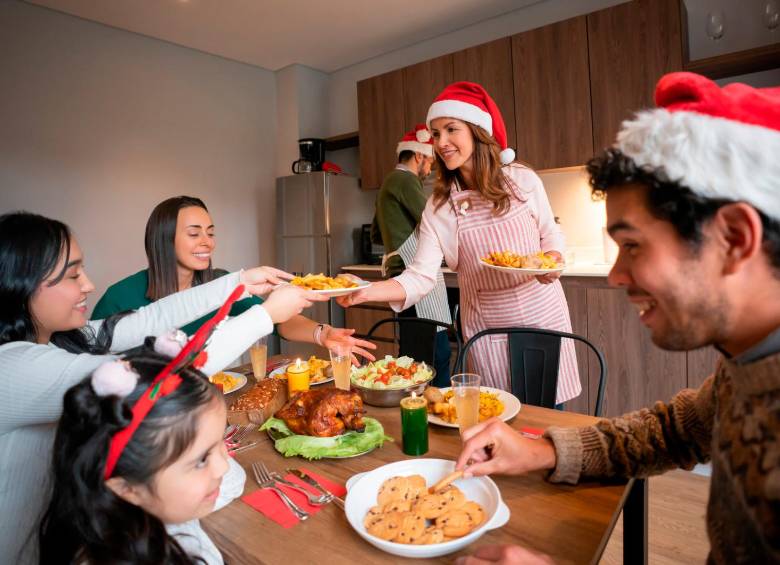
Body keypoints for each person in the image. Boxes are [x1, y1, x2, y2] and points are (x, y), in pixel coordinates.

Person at [453, 72, 780, 564]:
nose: (616, 275)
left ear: (734, 238)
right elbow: (675, 430)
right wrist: (541, 450)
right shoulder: (748, 363)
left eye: (632, 245)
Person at [0, 211, 326, 563]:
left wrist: (240, 282)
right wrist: (264, 316)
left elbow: (150, 319)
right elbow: (155, 380)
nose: (88, 285)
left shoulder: (62, 339)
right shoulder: (11, 367)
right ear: (20, 284)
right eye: (72, 275)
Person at [340, 82, 580, 404]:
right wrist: (363, 291)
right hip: (486, 332)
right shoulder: (439, 207)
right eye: (436, 134)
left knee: (545, 423)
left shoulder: (522, 180)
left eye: (451, 129)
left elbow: (550, 234)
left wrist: (551, 260)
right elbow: (420, 277)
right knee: (496, 420)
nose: (441, 142)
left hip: (540, 320)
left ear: (478, 131)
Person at [39, 292, 252, 565]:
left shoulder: (158, 512)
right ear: (126, 488)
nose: (222, 466)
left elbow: (230, 480)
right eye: (201, 460)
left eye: (220, 443)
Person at [93, 196, 375, 359]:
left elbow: (279, 322)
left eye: (211, 233)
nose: (207, 242)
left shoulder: (221, 282)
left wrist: (323, 334)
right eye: (194, 234)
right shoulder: (119, 297)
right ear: (163, 239)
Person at [371, 124, 453, 385]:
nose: (429, 170)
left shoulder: (388, 183)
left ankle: (410, 406)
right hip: (413, 272)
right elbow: (432, 221)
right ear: (419, 155)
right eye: (430, 161)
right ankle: (434, 410)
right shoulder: (405, 180)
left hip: (400, 273)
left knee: (413, 354)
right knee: (433, 354)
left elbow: (375, 233)